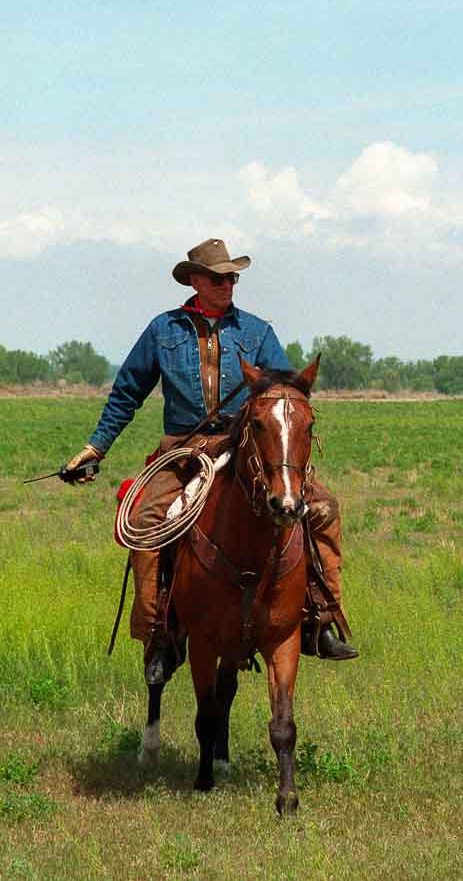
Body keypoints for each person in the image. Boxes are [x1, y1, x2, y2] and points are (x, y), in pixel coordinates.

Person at [65, 237, 357, 683]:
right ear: (196, 281)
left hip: (246, 452)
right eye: (219, 278)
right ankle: (160, 634)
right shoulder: (163, 331)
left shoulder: (257, 332)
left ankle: (320, 618)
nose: (228, 285)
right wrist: (96, 447)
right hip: (183, 453)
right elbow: (127, 392)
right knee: (146, 520)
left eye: (233, 278)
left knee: (322, 510)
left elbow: (283, 391)